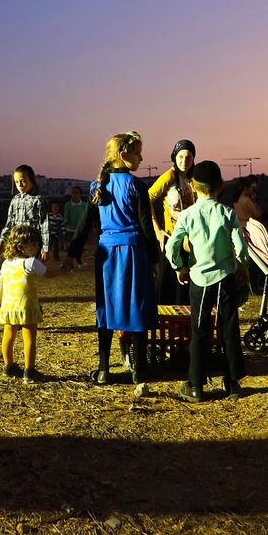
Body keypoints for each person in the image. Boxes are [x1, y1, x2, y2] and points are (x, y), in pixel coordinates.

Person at [67, 131, 158, 389]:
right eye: (138, 153)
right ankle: (140, 371)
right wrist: (155, 258)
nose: (142, 158)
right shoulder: (137, 186)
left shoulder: (98, 186)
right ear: (123, 155)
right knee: (136, 306)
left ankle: (104, 369)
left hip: (106, 254)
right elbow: (145, 226)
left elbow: (84, 224)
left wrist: (73, 254)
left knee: (106, 307)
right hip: (133, 252)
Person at [164, 160, 248, 403]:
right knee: (229, 329)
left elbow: (173, 245)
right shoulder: (227, 212)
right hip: (225, 278)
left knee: (200, 331)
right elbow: (241, 247)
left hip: (199, 280)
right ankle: (232, 382)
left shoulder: (188, 214)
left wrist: (180, 267)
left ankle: (195, 385)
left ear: (193, 186)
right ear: (220, 186)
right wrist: (240, 265)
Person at [0, 223, 61, 383]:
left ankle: (8, 366)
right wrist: (65, 269)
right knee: (29, 338)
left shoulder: (6, 263)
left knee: (8, 336)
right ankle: (29, 370)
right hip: (27, 306)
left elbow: (1, 283)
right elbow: (49, 274)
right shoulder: (30, 263)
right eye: (33, 244)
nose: (37, 246)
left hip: (9, 306)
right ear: (21, 246)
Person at [148, 139, 196, 300]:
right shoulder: (169, 176)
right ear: (174, 157)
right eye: (180, 157)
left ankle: (186, 322)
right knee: (167, 285)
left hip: (190, 239)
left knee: (186, 285)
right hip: (171, 237)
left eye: (188, 157)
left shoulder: (194, 179)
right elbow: (147, 198)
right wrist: (157, 230)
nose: (184, 161)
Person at [0, 165, 51, 262]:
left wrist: (45, 248)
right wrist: (1, 240)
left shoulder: (38, 200)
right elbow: (10, 223)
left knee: (29, 270)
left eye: (23, 181)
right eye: (16, 182)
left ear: (31, 180)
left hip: (32, 244)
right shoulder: (14, 200)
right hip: (16, 243)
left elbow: (45, 225)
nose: (19, 184)